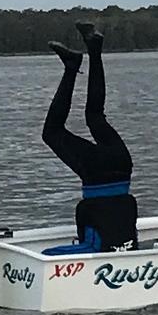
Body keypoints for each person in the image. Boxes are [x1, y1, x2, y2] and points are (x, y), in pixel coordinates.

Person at [41, 22, 137, 254]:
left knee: (94, 116)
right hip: (100, 175)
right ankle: (74, 64)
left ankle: (93, 49)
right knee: (53, 131)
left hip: (122, 162)